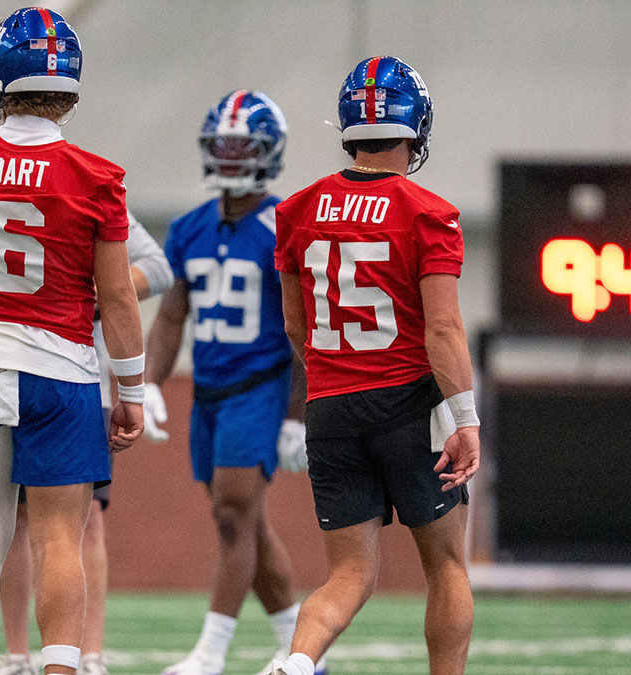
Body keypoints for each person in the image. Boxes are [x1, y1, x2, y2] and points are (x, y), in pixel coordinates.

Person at [0, 8, 146, 675]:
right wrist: (129, 388)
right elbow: (118, 297)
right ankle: (60, 668)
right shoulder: (97, 177)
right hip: (61, 369)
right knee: (58, 537)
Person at [267, 56, 480, 675]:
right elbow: (441, 329)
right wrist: (464, 416)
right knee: (445, 563)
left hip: (330, 407)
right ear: (414, 126)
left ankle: (298, 663)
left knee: (349, 574)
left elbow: (294, 326)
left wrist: (332, 384)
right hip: (410, 403)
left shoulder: (298, 210)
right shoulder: (427, 211)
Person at [142, 91, 324, 675]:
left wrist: (297, 413)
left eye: (242, 146)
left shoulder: (283, 226)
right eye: (221, 146)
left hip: (261, 384)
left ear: (269, 153)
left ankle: (210, 654)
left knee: (231, 513)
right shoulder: (188, 228)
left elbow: (303, 329)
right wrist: (146, 382)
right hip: (210, 390)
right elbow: (172, 315)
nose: (229, 156)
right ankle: (302, 648)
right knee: (244, 521)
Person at [0, 211, 173, 675]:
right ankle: (16, 654)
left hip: (78, 375)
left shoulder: (83, 187)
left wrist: (96, 291)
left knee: (86, 517)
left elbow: (157, 267)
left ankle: (88, 653)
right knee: (9, 521)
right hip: (4, 369)